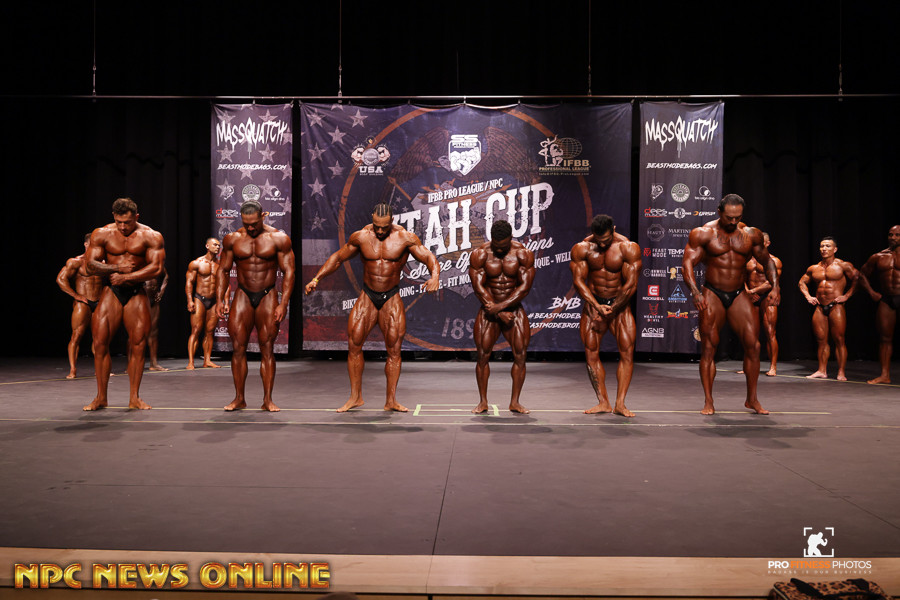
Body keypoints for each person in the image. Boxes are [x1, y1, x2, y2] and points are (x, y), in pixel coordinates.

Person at [304, 203, 440, 413]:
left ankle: (391, 400)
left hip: (391, 297)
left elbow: (428, 257)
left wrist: (435, 276)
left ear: (392, 221)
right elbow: (338, 258)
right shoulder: (361, 236)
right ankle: (355, 397)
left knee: (394, 349)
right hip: (367, 296)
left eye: (384, 227)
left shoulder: (405, 238)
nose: (380, 231)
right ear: (372, 219)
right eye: (377, 226)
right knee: (354, 344)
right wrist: (316, 278)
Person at [683, 194, 780, 415]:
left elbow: (767, 261)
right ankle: (708, 401)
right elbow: (687, 263)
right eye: (729, 217)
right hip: (713, 292)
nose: (733, 221)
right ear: (719, 212)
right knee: (709, 346)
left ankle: (752, 399)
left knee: (754, 345)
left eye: (738, 217)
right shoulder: (703, 233)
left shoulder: (751, 235)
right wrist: (695, 292)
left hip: (738, 293)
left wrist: (775, 286)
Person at [83, 198, 166, 410]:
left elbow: (157, 268)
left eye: (127, 222)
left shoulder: (151, 235)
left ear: (136, 217)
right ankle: (101, 397)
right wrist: (116, 269)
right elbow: (90, 265)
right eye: (119, 222)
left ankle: (134, 398)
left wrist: (128, 277)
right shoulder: (102, 233)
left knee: (138, 345)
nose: (122, 227)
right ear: (114, 217)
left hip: (136, 292)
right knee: (99, 343)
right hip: (112, 291)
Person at [216, 201, 295, 412]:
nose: (250, 227)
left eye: (254, 223)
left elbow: (289, 272)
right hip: (242, 294)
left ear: (263, 216)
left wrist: (283, 303)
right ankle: (239, 398)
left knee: (267, 347)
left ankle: (267, 400)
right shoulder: (232, 239)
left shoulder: (278, 239)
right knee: (237, 347)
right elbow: (223, 270)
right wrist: (220, 299)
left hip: (268, 294)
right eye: (246, 223)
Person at [570, 214, 642, 417]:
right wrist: (597, 306)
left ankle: (620, 404)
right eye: (598, 240)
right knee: (591, 353)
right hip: (594, 305)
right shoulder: (582, 248)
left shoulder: (627, 247)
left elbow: (631, 285)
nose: (602, 244)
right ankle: (603, 402)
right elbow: (578, 282)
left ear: (614, 230)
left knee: (627, 353)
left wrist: (612, 308)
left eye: (606, 240)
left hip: (620, 306)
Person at [469, 220, 535, 414]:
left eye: (503, 246)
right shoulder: (480, 254)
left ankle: (515, 402)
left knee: (520, 355)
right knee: (482, 355)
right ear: (491, 239)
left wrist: (502, 307)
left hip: (513, 310)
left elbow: (524, 288)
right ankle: (483, 402)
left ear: (511, 238)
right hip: (488, 310)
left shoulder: (522, 254)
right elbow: (478, 287)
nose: (499, 249)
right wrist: (497, 311)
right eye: (496, 245)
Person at [798, 237, 859, 381]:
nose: (824, 249)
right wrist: (808, 296)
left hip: (836, 306)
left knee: (839, 339)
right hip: (820, 307)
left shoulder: (843, 265)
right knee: (821, 341)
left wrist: (847, 296)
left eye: (827, 246)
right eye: (822, 246)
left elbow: (858, 279)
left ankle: (841, 372)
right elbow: (802, 282)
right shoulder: (814, 268)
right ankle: (821, 370)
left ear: (835, 249)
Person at [55, 234, 103, 379]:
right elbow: (61, 279)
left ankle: (100, 369)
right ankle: (73, 370)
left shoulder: (103, 263)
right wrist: (76, 296)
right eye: (92, 244)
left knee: (100, 338)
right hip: (83, 303)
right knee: (76, 336)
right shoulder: (76, 262)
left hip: (99, 302)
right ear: (86, 244)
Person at [858, 225, 900, 384]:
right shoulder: (879, 256)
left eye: (897, 235)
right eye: (890, 234)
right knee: (885, 338)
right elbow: (862, 274)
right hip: (887, 299)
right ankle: (884, 375)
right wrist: (871, 292)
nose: (893, 238)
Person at [738, 232, 783, 377]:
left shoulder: (774, 261)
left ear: (767, 244)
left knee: (770, 332)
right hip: (750, 297)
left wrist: (753, 291)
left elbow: (772, 282)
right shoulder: (746, 260)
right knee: (749, 333)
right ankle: (748, 365)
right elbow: (740, 276)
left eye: (760, 242)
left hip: (767, 297)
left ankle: (773, 366)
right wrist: (747, 291)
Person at [185, 238, 222, 370]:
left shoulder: (220, 265)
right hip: (199, 298)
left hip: (214, 301)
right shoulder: (197, 263)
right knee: (195, 330)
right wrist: (189, 300)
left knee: (210, 331)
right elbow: (189, 282)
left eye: (219, 245)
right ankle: (191, 362)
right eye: (215, 245)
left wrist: (224, 302)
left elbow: (225, 285)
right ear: (207, 246)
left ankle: (207, 360)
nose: (217, 247)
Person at [144, 267, 169, 371]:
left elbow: (166, 276)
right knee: (135, 334)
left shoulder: (156, 262)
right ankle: (131, 364)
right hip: (141, 299)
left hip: (154, 300)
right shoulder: (139, 261)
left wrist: (161, 291)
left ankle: (153, 364)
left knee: (153, 333)